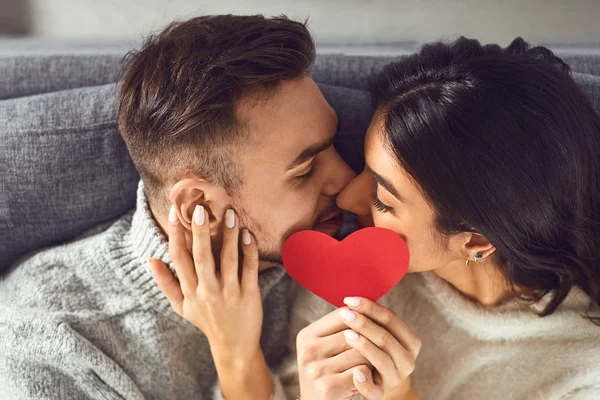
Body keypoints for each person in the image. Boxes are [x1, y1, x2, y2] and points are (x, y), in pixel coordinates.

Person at [157, 37, 600, 399]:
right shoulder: (350, 277)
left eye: (383, 200)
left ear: (475, 241)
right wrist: (236, 353)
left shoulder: (581, 368)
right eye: (366, 167)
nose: (348, 194)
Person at [0, 15, 355, 400]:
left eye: (334, 144)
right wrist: (237, 361)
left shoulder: (342, 250)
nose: (348, 180)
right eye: (304, 171)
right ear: (198, 205)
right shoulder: (51, 343)